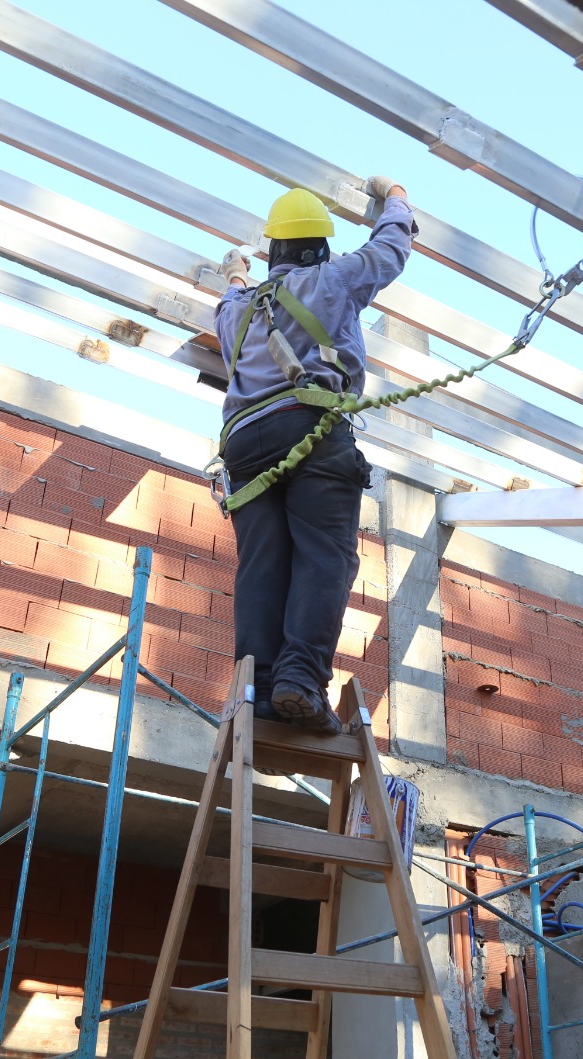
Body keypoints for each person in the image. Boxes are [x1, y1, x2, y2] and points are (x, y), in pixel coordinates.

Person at [215, 178, 416, 735]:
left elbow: (230, 292)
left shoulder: (236, 309)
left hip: (245, 448)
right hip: (313, 429)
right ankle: (300, 681)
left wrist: (235, 270)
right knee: (324, 557)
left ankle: (254, 691)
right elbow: (389, 252)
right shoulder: (334, 280)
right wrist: (396, 196)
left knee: (262, 565)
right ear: (321, 247)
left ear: (275, 249)